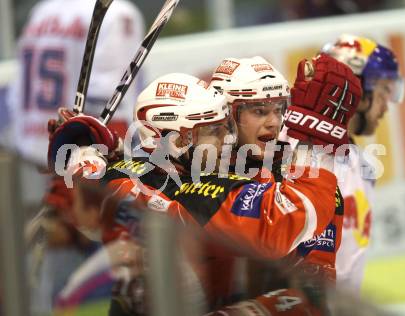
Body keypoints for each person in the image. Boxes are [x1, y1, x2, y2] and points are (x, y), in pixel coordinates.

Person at [46, 72, 340, 315]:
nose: (228, 140)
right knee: (298, 306)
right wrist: (313, 140)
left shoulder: (125, 173)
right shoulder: (196, 192)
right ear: (175, 141)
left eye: (226, 127)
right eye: (213, 131)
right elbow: (282, 224)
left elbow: (93, 188)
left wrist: (85, 150)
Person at [8, 0, 145, 312]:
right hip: (82, 172)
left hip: (35, 161)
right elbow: (106, 111)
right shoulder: (118, 12)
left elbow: (16, 100)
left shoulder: (43, 11)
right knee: (108, 287)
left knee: (45, 285)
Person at [208, 55, 361, 304]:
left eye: (279, 110)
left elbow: (313, 296)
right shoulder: (193, 168)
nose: (274, 122)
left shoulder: (304, 181)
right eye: (259, 111)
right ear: (226, 115)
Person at [7, 0, 145, 164]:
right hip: (79, 156)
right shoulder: (118, 13)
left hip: (31, 149)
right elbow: (109, 104)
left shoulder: (41, 11)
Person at [321, 34, 405, 293]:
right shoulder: (289, 151)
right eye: (384, 91)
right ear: (357, 90)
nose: (387, 106)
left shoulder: (363, 167)